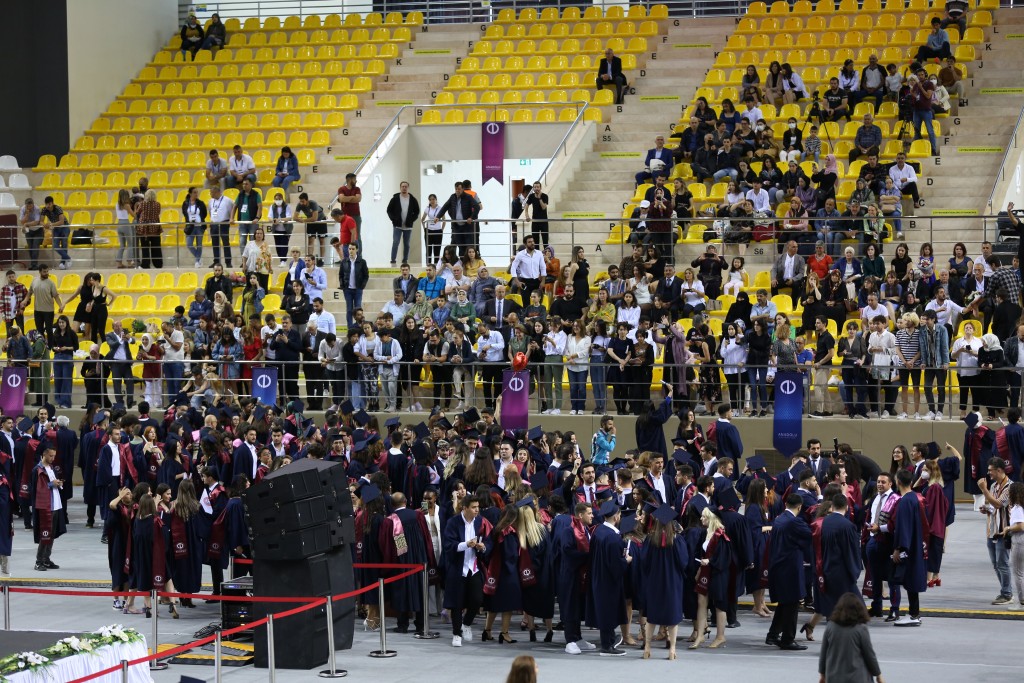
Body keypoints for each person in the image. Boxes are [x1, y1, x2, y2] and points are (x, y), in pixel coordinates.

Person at [443, 494, 490, 647]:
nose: (477, 510)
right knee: (457, 602)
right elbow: (448, 545)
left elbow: (488, 541)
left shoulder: (480, 522)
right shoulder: (453, 522)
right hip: (458, 568)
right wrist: (466, 544)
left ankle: (467, 623)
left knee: (477, 599)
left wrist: (483, 547)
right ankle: (456, 634)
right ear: (465, 508)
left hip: (474, 567)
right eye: (474, 507)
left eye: (478, 507)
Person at [767, 493, 812, 650]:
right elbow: (810, 535)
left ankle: (773, 634)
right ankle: (787, 639)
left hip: (778, 565)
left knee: (784, 603)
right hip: (790, 567)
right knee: (792, 603)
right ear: (799, 507)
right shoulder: (794, 522)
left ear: (786, 504)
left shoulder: (779, 519)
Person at [589, 500, 630, 656]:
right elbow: (615, 565)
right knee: (609, 611)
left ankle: (609, 640)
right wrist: (626, 561)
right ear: (616, 516)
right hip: (609, 580)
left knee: (604, 610)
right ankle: (607, 646)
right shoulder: (613, 538)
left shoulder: (598, 531)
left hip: (598, 577)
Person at [818, 593, 885, 683]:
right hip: (857, 677)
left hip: (834, 678)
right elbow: (869, 655)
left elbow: (823, 654)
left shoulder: (830, 626)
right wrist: (878, 675)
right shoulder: (861, 628)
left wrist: (822, 674)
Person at [891, 469, 927, 626]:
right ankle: (914, 613)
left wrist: (899, 548)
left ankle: (914, 614)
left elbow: (903, 527)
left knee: (910, 579)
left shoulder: (905, 501)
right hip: (916, 543)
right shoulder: (914, 498)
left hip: (909, 547)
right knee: (912, 579)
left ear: (898, 481)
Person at [980, 456, 1013, 604]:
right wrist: (986, 509)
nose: (989, 473)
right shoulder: (994, 486)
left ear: (999, 470)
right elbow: (994, 507)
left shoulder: (1010, 487)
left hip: (1003, 532)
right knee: (995, 564)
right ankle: (1006, 591)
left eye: (990, 470)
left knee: (1002, 564)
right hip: (992, 530)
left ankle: (1007, 594)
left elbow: (999, 504)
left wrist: (984, 490)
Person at [32, 447, 65, 572]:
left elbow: (52, 483)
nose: (53, 458)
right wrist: (52, 484)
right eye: (51, 455)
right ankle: (39, 561)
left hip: (55, 505)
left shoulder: (51, 468)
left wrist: (58, 483)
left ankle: (46, 559)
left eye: (54, 455)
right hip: (45, 506)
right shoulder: (37, 470)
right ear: (44, 454)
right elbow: (36, 488)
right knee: (45, 534)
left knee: (51, 535)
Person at [386, 181, 420, 267]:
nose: (404, 188)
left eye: (406, 186)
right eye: (402, 186)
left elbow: (417, 211)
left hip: (408, 226)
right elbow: (389, 210)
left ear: (408, 188)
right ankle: (393, 260)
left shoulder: (412, 199)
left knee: (407, 244)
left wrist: (412, 219)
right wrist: (393, 219)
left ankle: (405, 260)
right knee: (395, 242)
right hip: (397, 225)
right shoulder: (395, 198)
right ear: (400, 188)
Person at [1006, 481, 1024, 610]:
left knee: (1018, 573)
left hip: (1019, 540)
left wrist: (1008, 528)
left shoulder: (1017, 508)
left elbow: (1020, 526)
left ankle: (1022, 601)